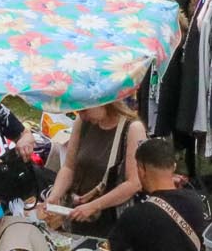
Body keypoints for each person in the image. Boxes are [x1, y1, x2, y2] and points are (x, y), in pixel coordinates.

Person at [44, 101, 146, 239]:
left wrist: (94, 206)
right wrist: (54, 196)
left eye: (85, 110)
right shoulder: (82, 122)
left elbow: (134, 183)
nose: (82, 115)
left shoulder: (133, 128)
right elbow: (68, 167)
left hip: (112, 222)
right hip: (78, 216)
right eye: (78, 110)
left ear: (103, 102)